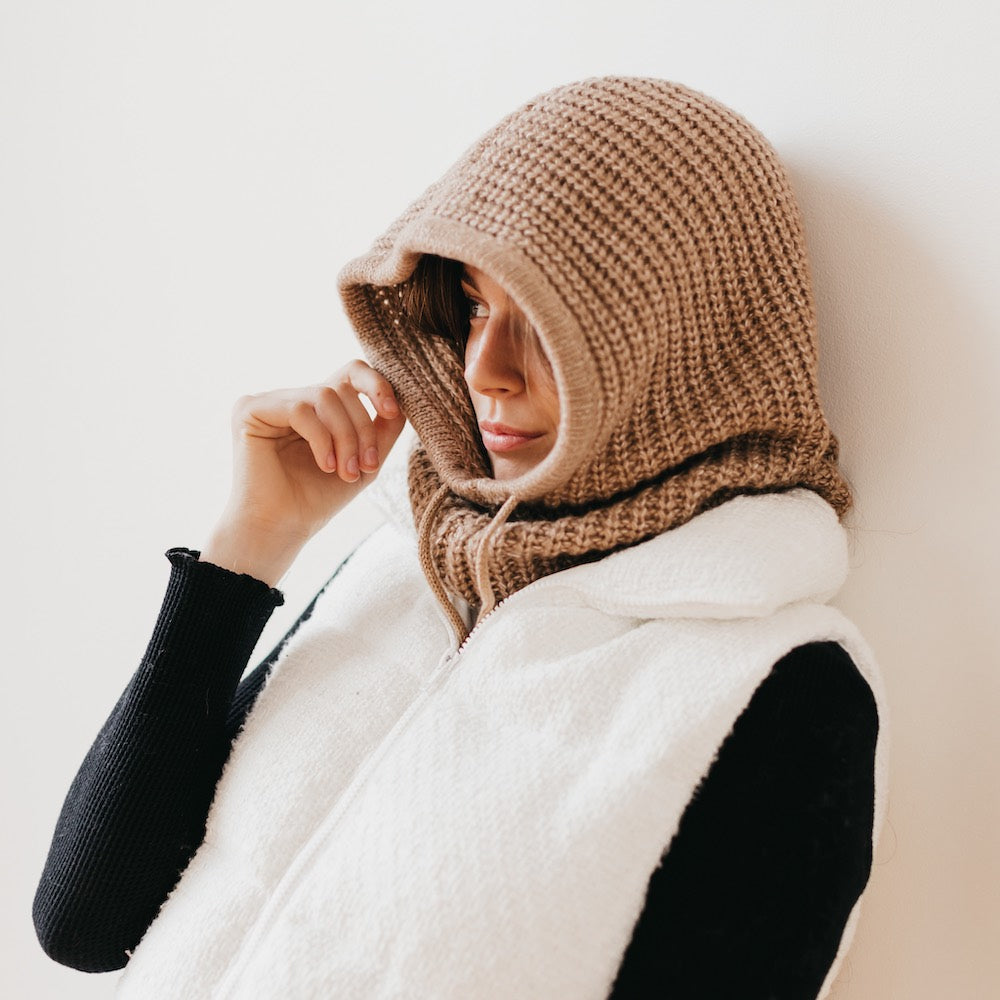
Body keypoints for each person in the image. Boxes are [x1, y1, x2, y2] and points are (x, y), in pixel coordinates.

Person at [33, 76, 888, 999]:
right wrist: (250, 547)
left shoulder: (782, 689)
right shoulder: (399, 567)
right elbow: (85, 923)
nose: (487, 370)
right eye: (476, 307)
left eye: (551, 325)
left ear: (676, 342)